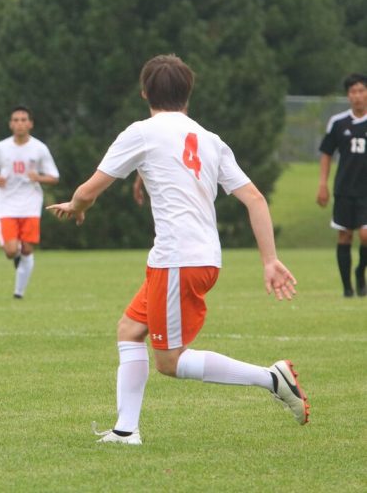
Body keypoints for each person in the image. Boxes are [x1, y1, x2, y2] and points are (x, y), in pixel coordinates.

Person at [47, 54, 309, 445]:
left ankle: (271, 378)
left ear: (144, 92)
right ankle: (125, 430)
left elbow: (88, 190)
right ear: (188, 94)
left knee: (170, 362)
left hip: (178, 260)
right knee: (130, 330)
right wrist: (269, 259)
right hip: (196, 258)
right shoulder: (209, 138)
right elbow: (255, 198)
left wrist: (77, 206)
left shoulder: (141, 132)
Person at [0, 106, 59, 298]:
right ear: (10, 124)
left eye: (23, 119)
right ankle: (16, 259)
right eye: (16, 120)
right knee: (11, 251)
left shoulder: (39, 148)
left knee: (27, 248)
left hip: (30, 203)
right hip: (6, 203)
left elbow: (54, 177)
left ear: (30, 124)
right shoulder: (1, 147)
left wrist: (38, 177)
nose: (19, 123)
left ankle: (19, 293)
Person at [316, 72, 367, 297]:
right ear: (348, 96)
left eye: (361, 91)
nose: (357, 96)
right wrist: (322, 184)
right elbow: (326, 153)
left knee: (365, 235)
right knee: (344, 235)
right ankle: (347, 288)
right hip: (345, 189)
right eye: (352, 92)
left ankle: (360, 272)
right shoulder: (338, 123)